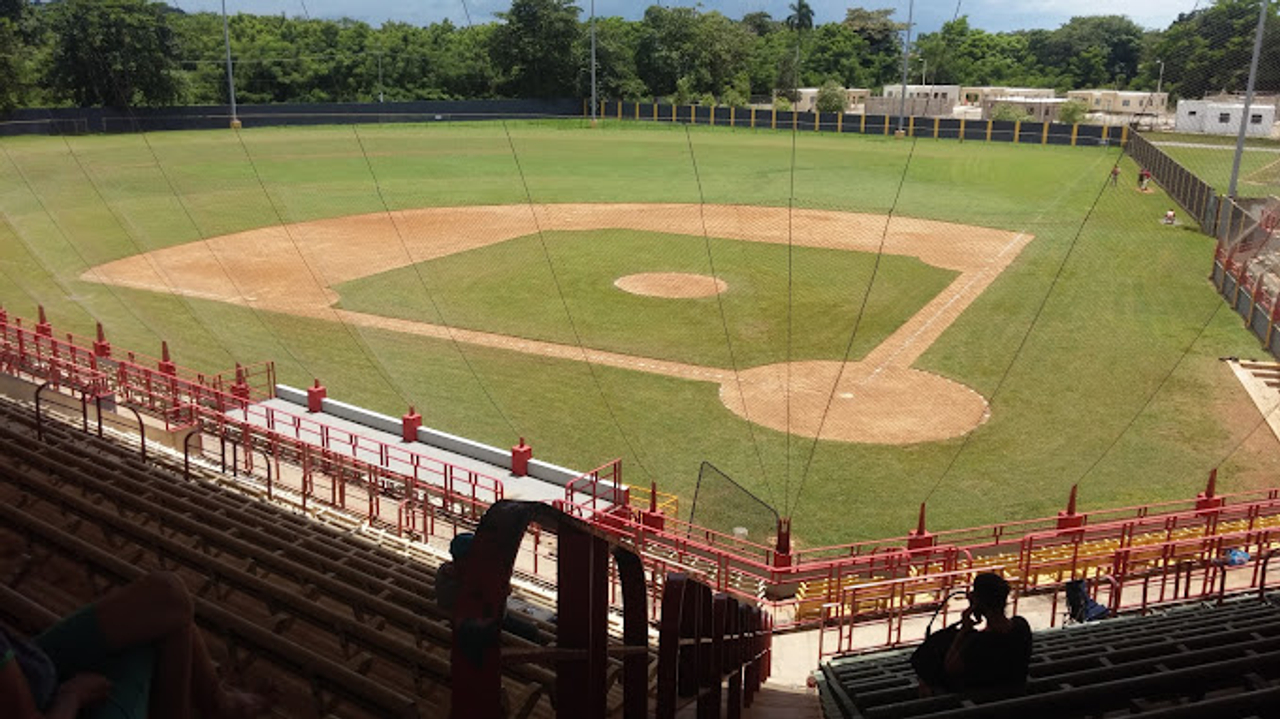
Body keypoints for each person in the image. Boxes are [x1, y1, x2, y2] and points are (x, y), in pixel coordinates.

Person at [1, 572, 270, 719]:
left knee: (167, 598)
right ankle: (218, 705)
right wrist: (72, 695)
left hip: (28, 670)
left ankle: (219, 704)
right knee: (163, 630)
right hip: (50, 700)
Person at [914, 573, 1032, 696]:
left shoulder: (978, 642)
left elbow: (950, 667)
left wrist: (964, 630)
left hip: (981, 700)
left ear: (978, 601)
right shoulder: (1021, 626)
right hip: (1013, 694)